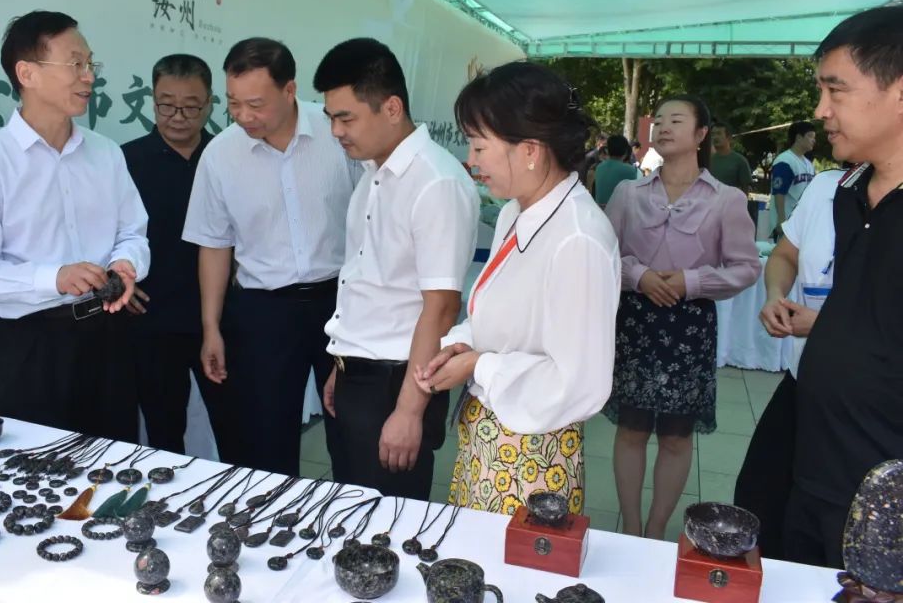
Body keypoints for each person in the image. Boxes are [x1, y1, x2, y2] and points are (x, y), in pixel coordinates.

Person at [416, 62, 621, 514]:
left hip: (530, 461)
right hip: (492, 440)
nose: (471, 160)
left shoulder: (577, 239)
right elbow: (500, 313)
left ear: (530, 150)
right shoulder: (517, 212)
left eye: (479, 145)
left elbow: (581, 383)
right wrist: (462, 344)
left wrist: (480, 365)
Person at [0, 10, 149, 442]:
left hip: (109, 336)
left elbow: (133, 232)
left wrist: (126, 263)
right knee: (41, 470)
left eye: (90, 63)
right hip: (35, 346)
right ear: (27, 73)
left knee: (115, 461)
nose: (88, 77)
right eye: (75, 63)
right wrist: (53, 278)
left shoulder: (106, 154)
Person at [182, 37, 354, 477]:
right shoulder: (221, 155)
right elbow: (214, 245)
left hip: (340, 303)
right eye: (233, 103)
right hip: (263, 312)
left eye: (255, 104)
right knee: (263, 438)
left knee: (351, 428)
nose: (243, 116)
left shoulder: (336, 135)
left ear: (290, 90)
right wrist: (211, 328)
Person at [314, 38, 478, 499]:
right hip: (359, 373)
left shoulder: (436, 182)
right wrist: (342, 362)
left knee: (390, 522)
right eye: (330, 118)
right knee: (351, 507)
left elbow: (440, 308)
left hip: (398, 383)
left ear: (391, 108)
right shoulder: (373, 174)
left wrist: (409, 410)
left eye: (346, 118)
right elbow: (366, 281)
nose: (336, 131)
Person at [603, 94, 760, 539]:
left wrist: (691, 282)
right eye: (659, 121)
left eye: (677, 120)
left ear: (701, 134)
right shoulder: (628, 193)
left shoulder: (726, 199)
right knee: (631, 429)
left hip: (688, 326)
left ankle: (656, 530)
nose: (664, 127)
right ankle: (631, 526)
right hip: (635, 321)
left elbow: (746, 268)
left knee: (675, 436)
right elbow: (602, 253)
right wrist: (639, 276)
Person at [785, 6, 903, 568]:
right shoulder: (849, 193)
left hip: (889, 506)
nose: (820, 111)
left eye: (836, 91)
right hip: (817, 469)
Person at [734, 167, 843, 559]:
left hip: (864, 399)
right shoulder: (827, 186)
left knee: (834, 526)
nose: (826, 135)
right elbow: (784, 254)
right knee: (759, 498)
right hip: (803, 379)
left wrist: (824, 325)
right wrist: (774, 295)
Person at [119, 54, 213, 454]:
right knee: (163, 431)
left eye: (190, 106)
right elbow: (101, 232)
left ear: (209, 104)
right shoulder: (125, 160)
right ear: (153, 101)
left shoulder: (226, 156)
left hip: (220, 320)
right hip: (152, 319)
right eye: (166, 105)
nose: (177, 117)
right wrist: (117, 281)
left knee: (239, 424)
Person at [768, 121, 817, 238]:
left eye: (814, 137)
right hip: (786, 223)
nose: (813, 140)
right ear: (799, 137)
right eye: (810, 136)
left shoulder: (808, 164)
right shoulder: (785, 161)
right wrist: (781, 220)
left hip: (801, 223)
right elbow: (779, 193)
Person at [592, 135, 639, 207]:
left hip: (599, 210)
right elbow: (632, 197)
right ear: (625, 151)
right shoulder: (630, 170)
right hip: (618, 210)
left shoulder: (599, 167)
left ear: (608, 150)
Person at [709, 123, 753, 194]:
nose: (715, 137)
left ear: (729, 138)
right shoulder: (707, 160)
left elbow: (745, 189)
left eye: (719, 133)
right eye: (713, 134)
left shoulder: (740, 161)